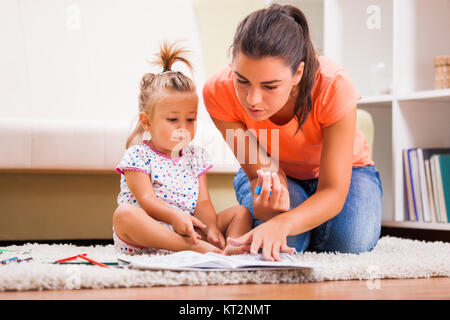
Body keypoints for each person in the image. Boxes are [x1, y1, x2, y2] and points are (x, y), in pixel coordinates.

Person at [202, 4, 383, 261]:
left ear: (298, 73)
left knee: (351, 241)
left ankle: (310, 226)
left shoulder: (334, 85)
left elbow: (333, 190)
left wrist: (283, 223)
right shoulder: (218, 91)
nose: (253, 99)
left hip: (347, 172)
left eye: (270, 86)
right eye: (242, 80)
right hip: (275, 170)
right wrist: (265, 207)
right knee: (289, 241)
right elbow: (260, 171)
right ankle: (307, 228)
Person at [112, 41, 253, 255]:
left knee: (241, 213)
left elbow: (203, 202)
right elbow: (147, 200)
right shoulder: (138, 156)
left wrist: (212, 227)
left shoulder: (195, 156)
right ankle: (203, 251)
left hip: (189, 231)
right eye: (172, 119)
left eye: (190, 119)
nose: (183, 127)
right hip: (150, 236)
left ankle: (230, 252)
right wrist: (175, 217)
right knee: (124, 214)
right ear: (146, 122)